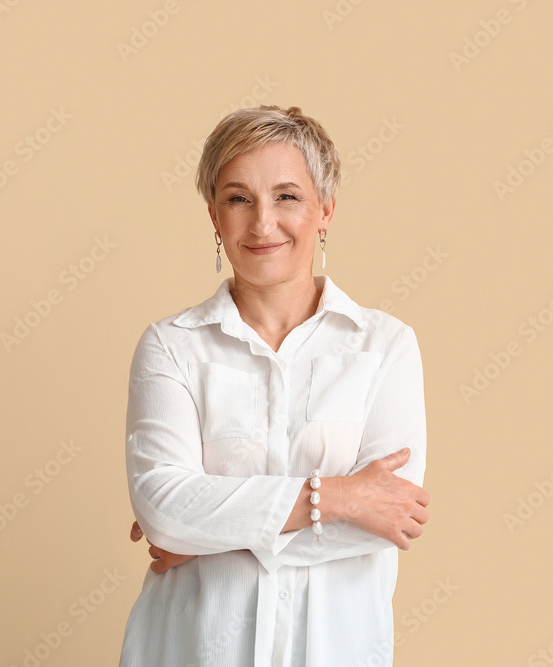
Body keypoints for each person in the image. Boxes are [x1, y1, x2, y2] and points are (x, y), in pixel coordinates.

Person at [119, 105, 429, 667]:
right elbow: (165, 507)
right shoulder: (170, 346)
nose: (263, 223)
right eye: (239, 199)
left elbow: (387, 519)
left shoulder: (385, 346)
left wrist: (205, 532)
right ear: (215, 216)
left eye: (287, 196)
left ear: (325, 210)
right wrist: (335, 497)